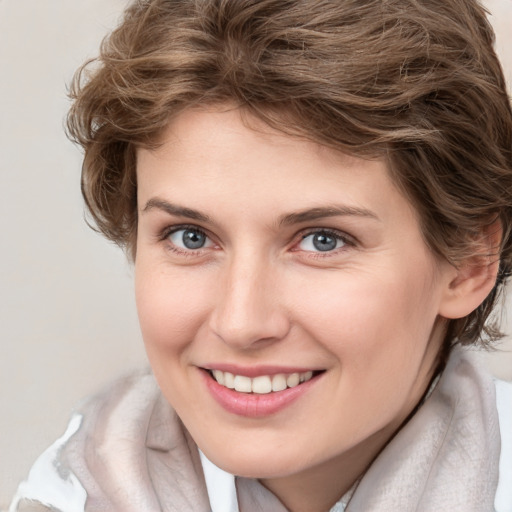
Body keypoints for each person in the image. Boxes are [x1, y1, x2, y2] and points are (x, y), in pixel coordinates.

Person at [10, 0, 512, 511]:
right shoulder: (71, 492)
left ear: (469, 261)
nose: (241, 323)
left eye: (323, 240)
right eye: (190, 236)